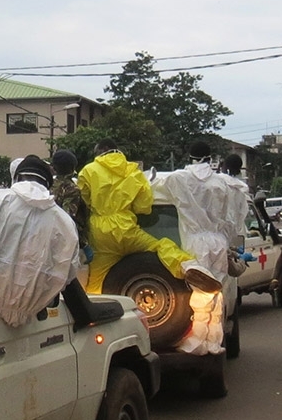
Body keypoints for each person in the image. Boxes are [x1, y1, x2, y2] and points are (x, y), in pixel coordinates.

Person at [77, 138, 219, 295]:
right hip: (127, 230)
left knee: (97, 280)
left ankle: (98, 311)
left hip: (101, 235)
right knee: (160, 246)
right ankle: (188, 266)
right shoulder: (134, 171)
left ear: (99, 152)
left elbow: (85, 200)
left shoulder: (88, 171)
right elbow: (143, 207)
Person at [0, 155, 79, 327]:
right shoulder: (65, 222)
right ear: (47, 185)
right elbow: (67, 274)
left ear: (17, 177)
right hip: (30, 318)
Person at [154, 142, 248, 354]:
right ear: (210, 157)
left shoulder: (178, 178)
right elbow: (232, 215)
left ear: (190, 157)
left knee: (200, 291)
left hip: (195, 241)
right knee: (216, 292)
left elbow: (152, 186)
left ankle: (196, 341)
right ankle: (213, 342)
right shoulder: (221, 183)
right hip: (218, 241)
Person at [50, 149, 92, 264]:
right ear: (72, 168)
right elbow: (67, 219)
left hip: (47, 239)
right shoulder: (72, 189)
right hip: (66, 244)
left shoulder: (47, 185)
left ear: (54, 167)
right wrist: (84, 244)